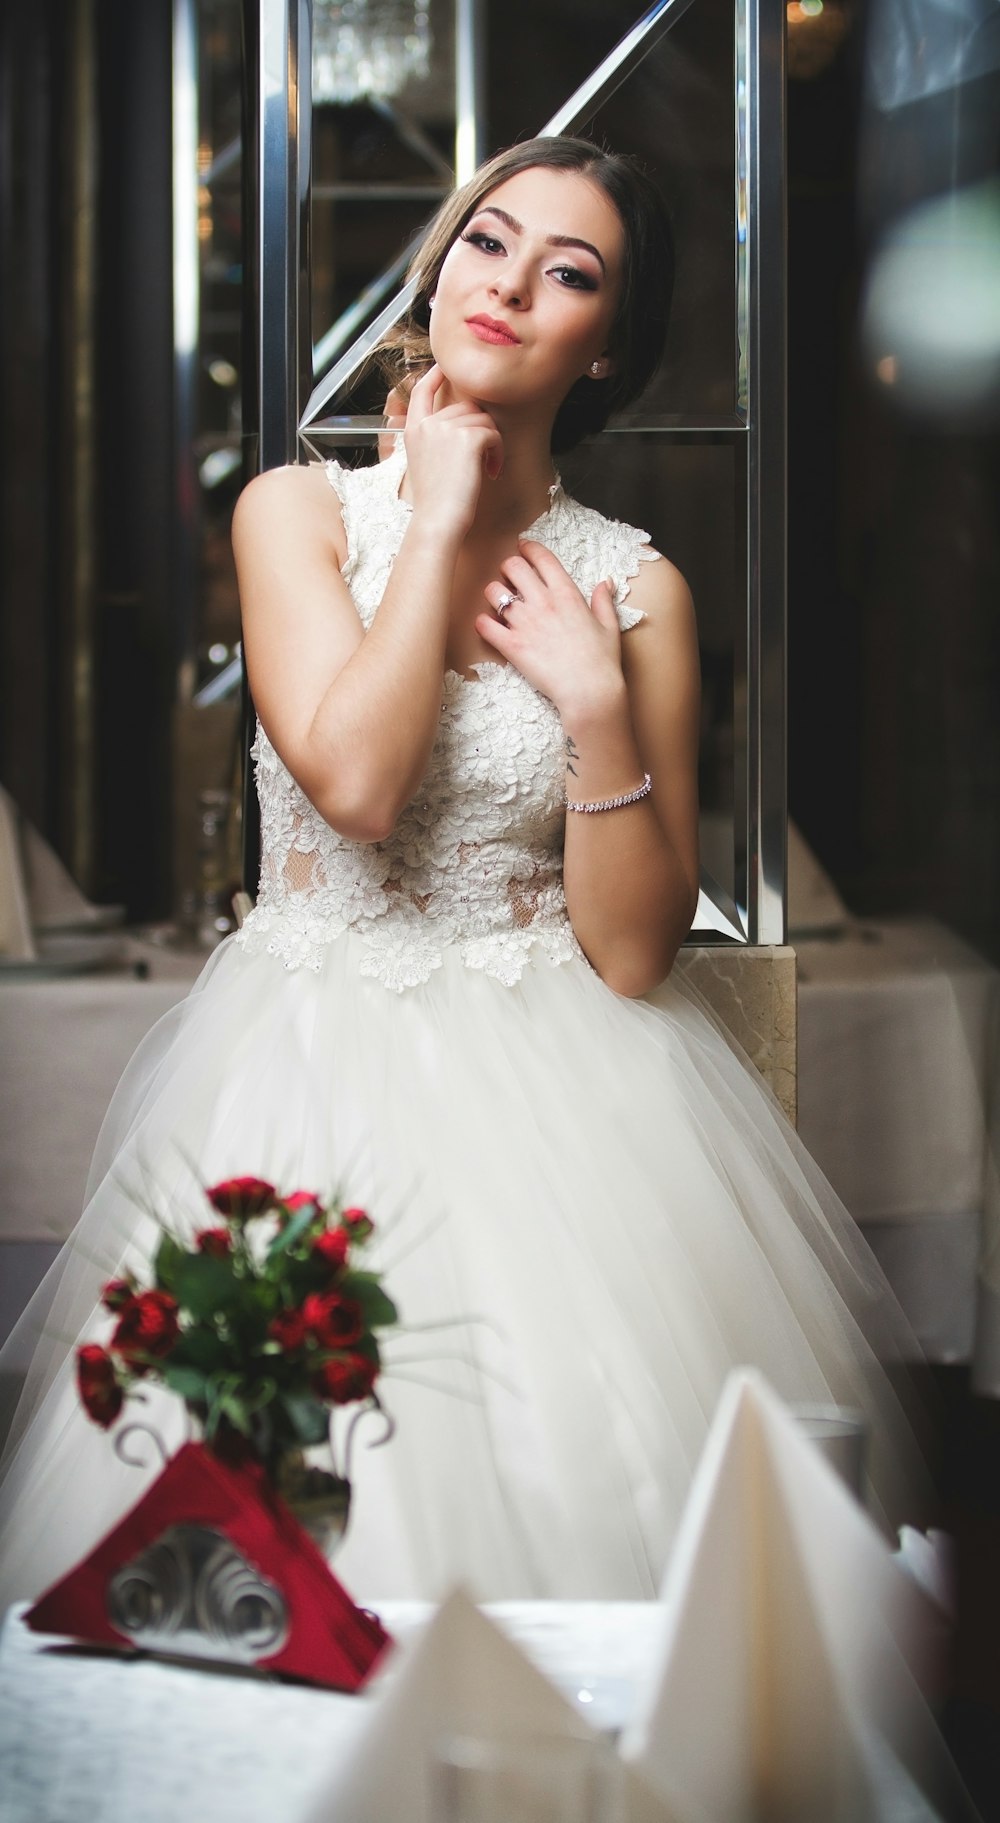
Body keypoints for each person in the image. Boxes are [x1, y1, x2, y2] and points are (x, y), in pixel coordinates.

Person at [0, 137, 928, 1606]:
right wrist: (433, 517)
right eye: (488, 243)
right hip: (301, 1065)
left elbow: (631, 953)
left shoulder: (636, 591)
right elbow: (357, 788)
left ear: (606, 342)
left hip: (568, 1104)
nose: (509, 284)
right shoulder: (295, 513)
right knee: (272, 1524)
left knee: (581, 1494)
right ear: (437, 272)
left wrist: (596, 702)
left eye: (569, 271)